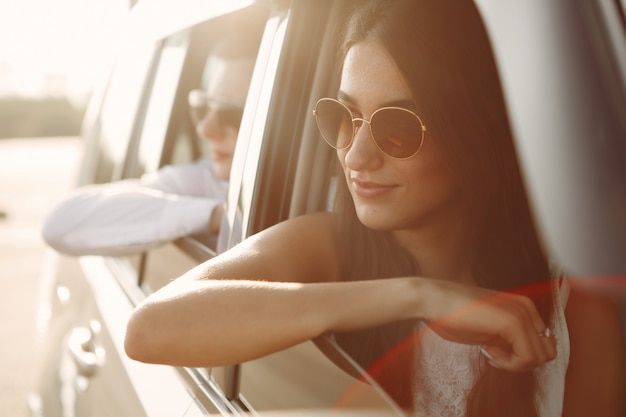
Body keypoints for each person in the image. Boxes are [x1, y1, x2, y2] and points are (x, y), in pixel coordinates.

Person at [124, 1, 625, 416]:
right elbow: (150, 329)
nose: (355, 155)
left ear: (472, 135)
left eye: (398, 127)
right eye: (344, 116)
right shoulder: (330, 246)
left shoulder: (575, 306)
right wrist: (421, 295)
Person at [41, 26, 262, 257]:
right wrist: (215, 216)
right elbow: (61, 224)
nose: (204, 129)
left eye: (230, 113)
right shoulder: (202, 183)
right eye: (203, 106)